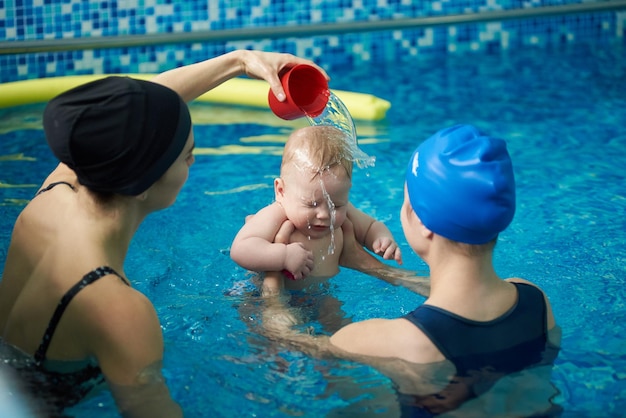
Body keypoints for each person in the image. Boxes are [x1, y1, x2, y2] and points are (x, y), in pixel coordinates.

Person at [0, 50, 329, 418]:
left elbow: (140, 106)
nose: (193, 161)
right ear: (142, 183)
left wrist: (240, 61)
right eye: (186, 154)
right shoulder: (118, 309)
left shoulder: (60, 187)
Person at [265, 124, 561, 416]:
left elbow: (283, 337)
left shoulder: (391, 340)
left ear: (420, 222)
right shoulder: (537, 302)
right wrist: (374, 266)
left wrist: (272, 294)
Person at [230, 125, 428, 331]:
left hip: (322, 294)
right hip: (266, 296)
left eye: (337, 205)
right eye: (311, 204)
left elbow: (369, 226)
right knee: (260, 331)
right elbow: (241, 248)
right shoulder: (276, 215)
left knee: (341, 327)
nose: (325, 214)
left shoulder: (333, 205)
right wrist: (283, 255)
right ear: (281, 191)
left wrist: (381, 238)